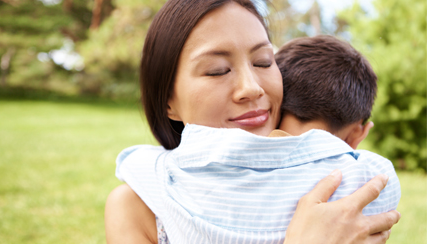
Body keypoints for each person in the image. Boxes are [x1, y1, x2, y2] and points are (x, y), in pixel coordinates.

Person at [105, 0, 401, 243]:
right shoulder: (138, 206)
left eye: (263, 62)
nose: (252, 88)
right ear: (168, 101)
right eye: (217, 70)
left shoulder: (344, 193)